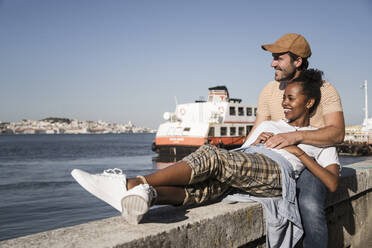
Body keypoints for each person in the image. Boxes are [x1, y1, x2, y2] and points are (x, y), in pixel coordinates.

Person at [71, 69, 341, 247]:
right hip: (250, 163)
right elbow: (238, 156)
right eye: (283, 98)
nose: (284, 103)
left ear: (308, 103)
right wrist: (258, 141)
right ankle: (147, 194)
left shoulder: (320, 137)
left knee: (212, 156)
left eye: (291, 98)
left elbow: (330, 183)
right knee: (200, 192)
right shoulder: (268, 126)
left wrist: (297, 149)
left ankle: (128, 184)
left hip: (276, 172)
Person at [253, 33, 345, 247]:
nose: (272, 63)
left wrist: (295, 138)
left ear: (298, 61)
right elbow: (258, 129)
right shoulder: (268, 91)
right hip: (280, 162)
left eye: (278, 58)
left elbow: (337, 133)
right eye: (273, 58)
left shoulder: (325, 90)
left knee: (309, 203)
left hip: (315, 161)